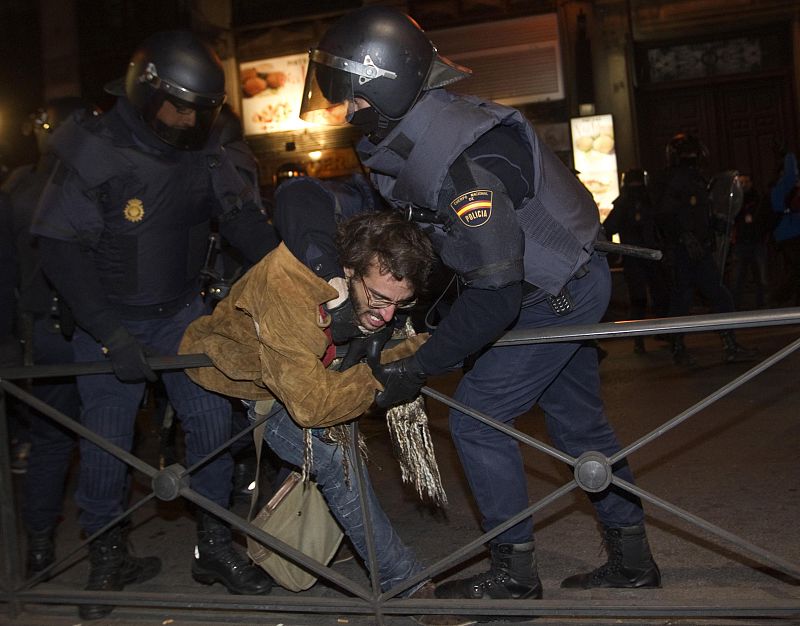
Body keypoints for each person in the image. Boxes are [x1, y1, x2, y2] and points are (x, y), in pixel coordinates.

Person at [289, 5, 662, 616]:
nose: (348, 112)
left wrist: (419, 366)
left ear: (384, 84)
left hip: (552, 293)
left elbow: (496, 294)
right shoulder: (416, 130)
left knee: (477, 417)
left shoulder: (462, 163)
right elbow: (408, 224)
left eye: (353, 99)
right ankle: (633, 560)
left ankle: (513, 572)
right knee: (578, 425)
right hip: (565, 279)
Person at [31, 31, 278, 619]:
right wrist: (110, 335)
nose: (185, 120)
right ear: (146, 94)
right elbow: (59, 250)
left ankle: (214, 544)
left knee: (214, 424)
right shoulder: (97, 148)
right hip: (108, 322)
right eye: (176, 106)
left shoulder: (206, 148)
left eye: (199, 110)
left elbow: (242, 220)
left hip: (180, 315)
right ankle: (107, 554)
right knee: (107, 443)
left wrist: (293, 271)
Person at [179, 199, 439, 598]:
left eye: (400, 304)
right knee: (333, 458)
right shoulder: (286, 287)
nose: (389, 315)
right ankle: (400, 581)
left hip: (303, 371)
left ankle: (305, 544)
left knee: (326, 462)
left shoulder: (367, 282)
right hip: (243, 380)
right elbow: (310, 407)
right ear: (347, 271)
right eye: (380, 299)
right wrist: (377, 377)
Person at [2, 98, 96, 577]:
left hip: (42, 330)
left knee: (52, 441)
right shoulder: (84, 184)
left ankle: (40, 549)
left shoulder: (18, 186)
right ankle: (106, 550)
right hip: (84, 329)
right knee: (101, 437)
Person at [655, 132, 755, 366]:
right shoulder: (676, 179)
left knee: (714, 296)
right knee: (685, 299)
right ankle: (680, 348)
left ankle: (727, 344)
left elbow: (702, 214)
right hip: (684, 251)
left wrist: (720, 223)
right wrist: (684, 237)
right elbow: (665, 215)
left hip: (698, 249)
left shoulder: (695, 178)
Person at [603, 168, 669, 353]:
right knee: (660, 295)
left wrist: (614, 253)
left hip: (633, 257)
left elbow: (609, 227)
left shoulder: (623, 202)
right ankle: (664, 333)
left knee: (638, 299)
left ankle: (639, 340)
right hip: (652, 255)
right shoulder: (650, 199)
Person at [730, 174, 770, 308]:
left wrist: (762, 232)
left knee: (761, 277)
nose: (744, 184)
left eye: (746, 181)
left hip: (757, 242)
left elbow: (766, 218)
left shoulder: (759, 199)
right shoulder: (735, 200)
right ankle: (734, 307)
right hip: (741, 243)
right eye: (741, 182)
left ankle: (763, 306)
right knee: (737, 278)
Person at [769, 150, 800, 305]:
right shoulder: (783, 186)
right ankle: (778, 299)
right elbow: (792, 174)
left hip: (787, 233)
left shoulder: (780, 187)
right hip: (790, 233)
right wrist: (789, 154)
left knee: (796, 269)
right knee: (797, 269)